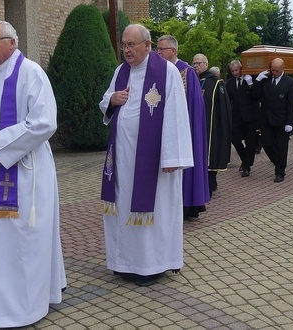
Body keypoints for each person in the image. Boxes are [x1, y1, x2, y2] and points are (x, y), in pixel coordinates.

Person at [0, 19, 66, 328]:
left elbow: (44, 122)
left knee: (18, 240)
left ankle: (21, 308)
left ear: (11, 42)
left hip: (25, 173)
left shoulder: (31, 73)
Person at [99, 24, 193, 286]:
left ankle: (153, 264)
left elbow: (176, 115)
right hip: (122, 158)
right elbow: (106, 101)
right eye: (124, 45)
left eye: (132, 45)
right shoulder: (121, 72)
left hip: (154, 161)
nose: (126, 50)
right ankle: (123, 262)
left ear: (148, 45)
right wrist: (113, 100)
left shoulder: (166, 72)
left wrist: (173, 158)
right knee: (123, 207)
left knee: (155, 209)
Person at [156, 35, 210, 220]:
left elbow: (193, 107)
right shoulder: (158, 70)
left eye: (162, 49)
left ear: (173, 50)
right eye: (157, 49)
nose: (158, 52)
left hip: (182, 127)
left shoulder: (186, 72)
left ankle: (187, 205)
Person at [192, 53, 232, 196]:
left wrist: (222, 128)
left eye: (198, 63)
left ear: (206, 64)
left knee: (211, 155)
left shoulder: (216, 83)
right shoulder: (192, 81)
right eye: (194, 63)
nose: (196, 66)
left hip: (211, 126)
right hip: (195, 126)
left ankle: (210, 183)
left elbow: (223, 109)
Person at [252, 58, 293, 183]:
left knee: (282, 146)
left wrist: (290, 122)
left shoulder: (290, 82)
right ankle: (277, 161)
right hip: (266, 119)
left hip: (281, 120)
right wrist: (258, 80)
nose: (275, 72)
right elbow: (255, 96)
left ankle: (280, 172)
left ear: (283, 68)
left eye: (277, 70)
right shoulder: (266, 80)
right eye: (273, 70)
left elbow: (292, 104)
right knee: (266, 144)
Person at [225, 59, 260, 177]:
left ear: (241, 68)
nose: (235, 73)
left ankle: (246, 167)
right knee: (234, 139)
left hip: (251, 117)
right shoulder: (229, 83)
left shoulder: (250, 79)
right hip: (236, 117)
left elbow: (257, 96)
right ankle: (246, 160)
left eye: (236, 70)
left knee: (251, 142)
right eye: (232, 71)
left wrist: (251, 84)